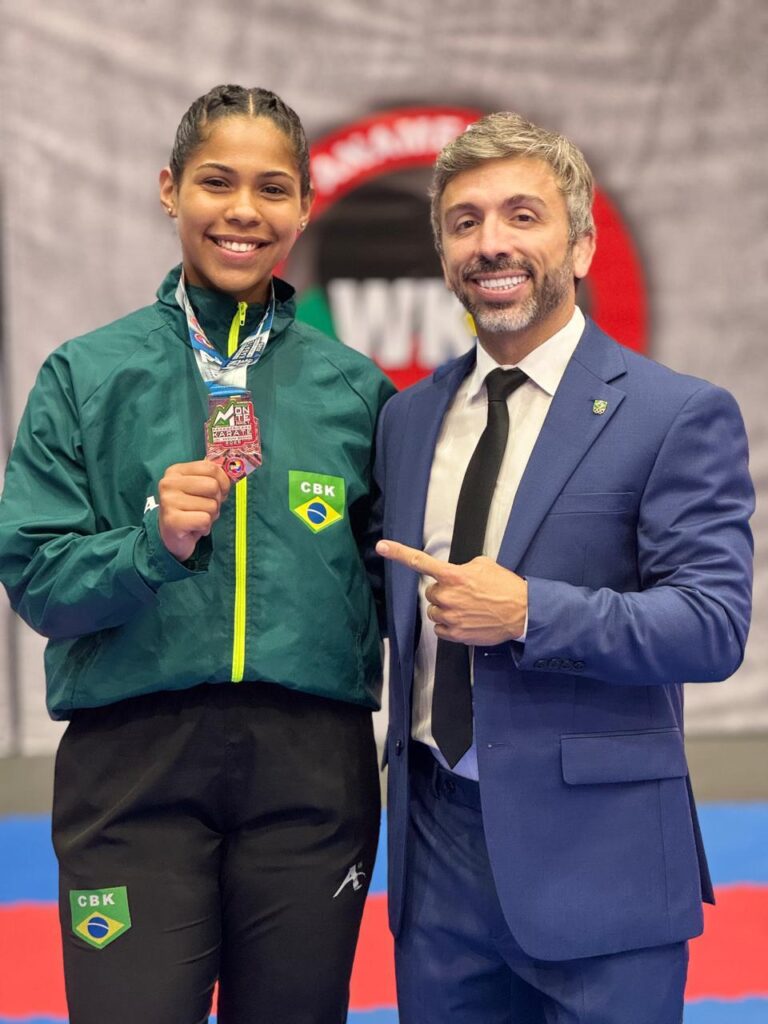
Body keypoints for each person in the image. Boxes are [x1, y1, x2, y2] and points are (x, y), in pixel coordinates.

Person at [0, 85, 395, 1024]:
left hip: (312, 771)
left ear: (304, 205)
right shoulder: (86, 375)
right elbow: (37, 579)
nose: (243, 212)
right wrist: (150, 546)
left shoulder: (359, 391)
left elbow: (394, 587)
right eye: (217, 182)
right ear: (169, 189)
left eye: (272, 189)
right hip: (133, 765)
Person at [374, 112, 753, 1024]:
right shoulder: (407, 421)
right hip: (435, 860)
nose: (491, 243)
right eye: (464, 222)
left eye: (521, 215)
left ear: (579, 244)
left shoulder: (674, 413)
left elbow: (712, 625)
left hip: (604, 865)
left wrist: (531, 612)